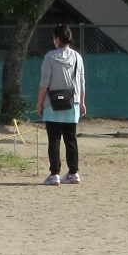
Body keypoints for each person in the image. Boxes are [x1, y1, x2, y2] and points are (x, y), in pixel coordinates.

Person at [37, 24, 86, 185]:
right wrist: (83, 102)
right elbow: (82, 82)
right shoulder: (78, 57)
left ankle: (54, 174)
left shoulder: (50, 57)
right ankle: (73, 172)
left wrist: (40, 103)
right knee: (71, 139)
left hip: (52, 103)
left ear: (57, 39)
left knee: (54, 139)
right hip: (73, 102)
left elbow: (45, 82)